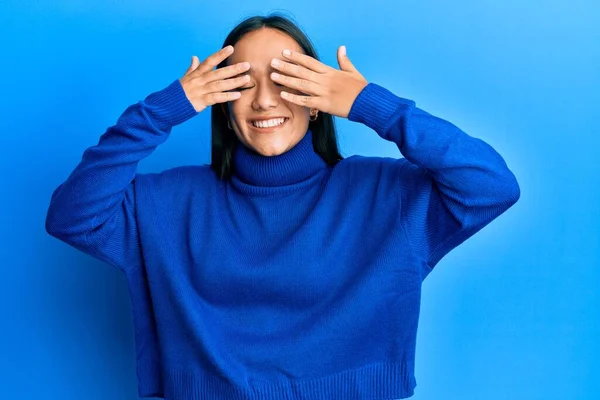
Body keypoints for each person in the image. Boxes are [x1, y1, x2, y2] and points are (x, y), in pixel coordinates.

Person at [45, 13, 520, 400]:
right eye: (244, 84)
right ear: (223, 106)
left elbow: (491, 185)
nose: (264, 100)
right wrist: (165, 108)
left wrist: (372, 105)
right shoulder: (167, 203)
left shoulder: (386, 195)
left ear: (317, 102)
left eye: (285, 80)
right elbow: (73, 215)